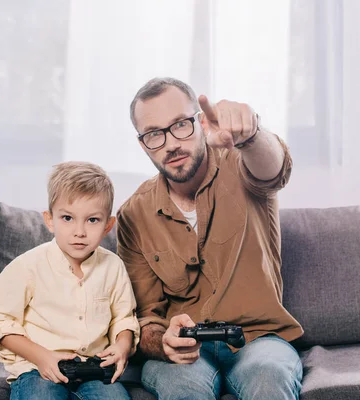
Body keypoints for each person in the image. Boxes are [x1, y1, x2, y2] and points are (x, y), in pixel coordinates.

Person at [117, 77, 304, 400]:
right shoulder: (133, 214)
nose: (171, 143)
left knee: (269, 376)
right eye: (154, 134)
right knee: (182, 388)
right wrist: (162, 342)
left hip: (259, 341)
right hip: (187, 353)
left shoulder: (242, 164)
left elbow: (274, 169)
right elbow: (145, 317)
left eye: (180, 125)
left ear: (201, 121)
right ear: (143, 143)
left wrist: (252, 136)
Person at [0, 161, 140, 400]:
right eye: (67, 218)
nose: (79, 231)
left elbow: (124, 318)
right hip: (37, 368)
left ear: (108, 225)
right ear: (50, 220)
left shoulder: (113, 266)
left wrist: (122, 347)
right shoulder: (28, 266)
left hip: (94, 369)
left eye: (92, 220)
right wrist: (41, 356)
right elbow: (1, 322)